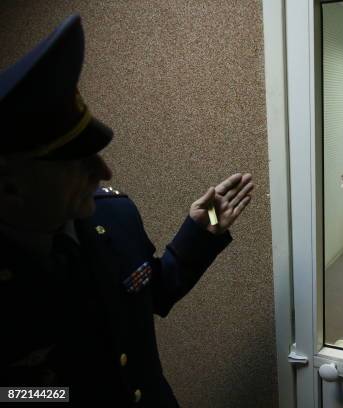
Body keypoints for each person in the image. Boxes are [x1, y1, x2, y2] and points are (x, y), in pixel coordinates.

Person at [0, 14, 253, 406]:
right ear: (11, 185)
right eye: (78, 163)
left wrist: (205, 229)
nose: (104, 172)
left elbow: (153, 293)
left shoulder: (112, 216)